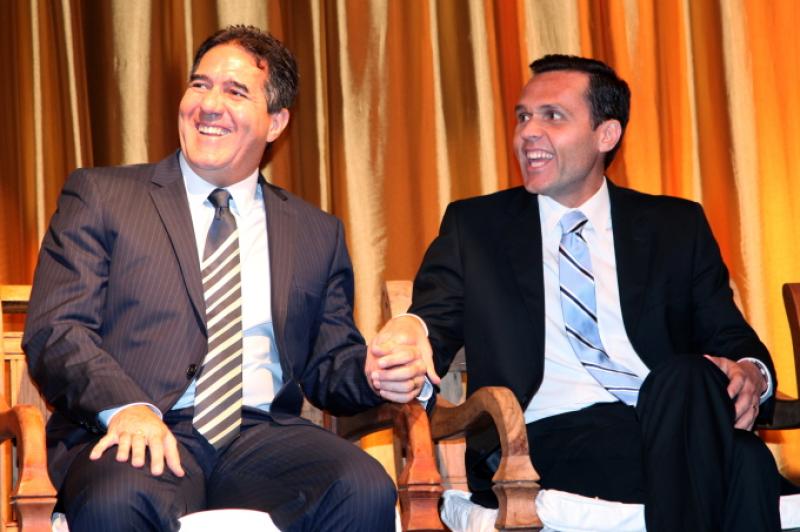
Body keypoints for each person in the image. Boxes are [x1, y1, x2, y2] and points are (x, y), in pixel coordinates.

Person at [23, 25, 423, 532]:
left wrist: (375, 374)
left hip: (260, 435)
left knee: (362, 487)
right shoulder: (103, 196)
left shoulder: (316, 232)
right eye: (200, 85)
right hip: (139, 428)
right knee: (119, 500)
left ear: (276, 122)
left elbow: (329, 365)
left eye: (235, 92)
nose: (209, 105)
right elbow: (57, 330)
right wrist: (126, 407)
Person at [370, 54, 781, 531]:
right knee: (747, 462)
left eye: (552, 116)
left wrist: (753, 374)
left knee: (689, 378)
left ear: (606, 134)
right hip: (541, 441)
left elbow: (729, 334)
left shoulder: (675, 226)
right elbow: (432, 322)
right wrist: (410, 336)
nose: (528, 132)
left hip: (668, 418)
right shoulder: (476, 228)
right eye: (523, 116)